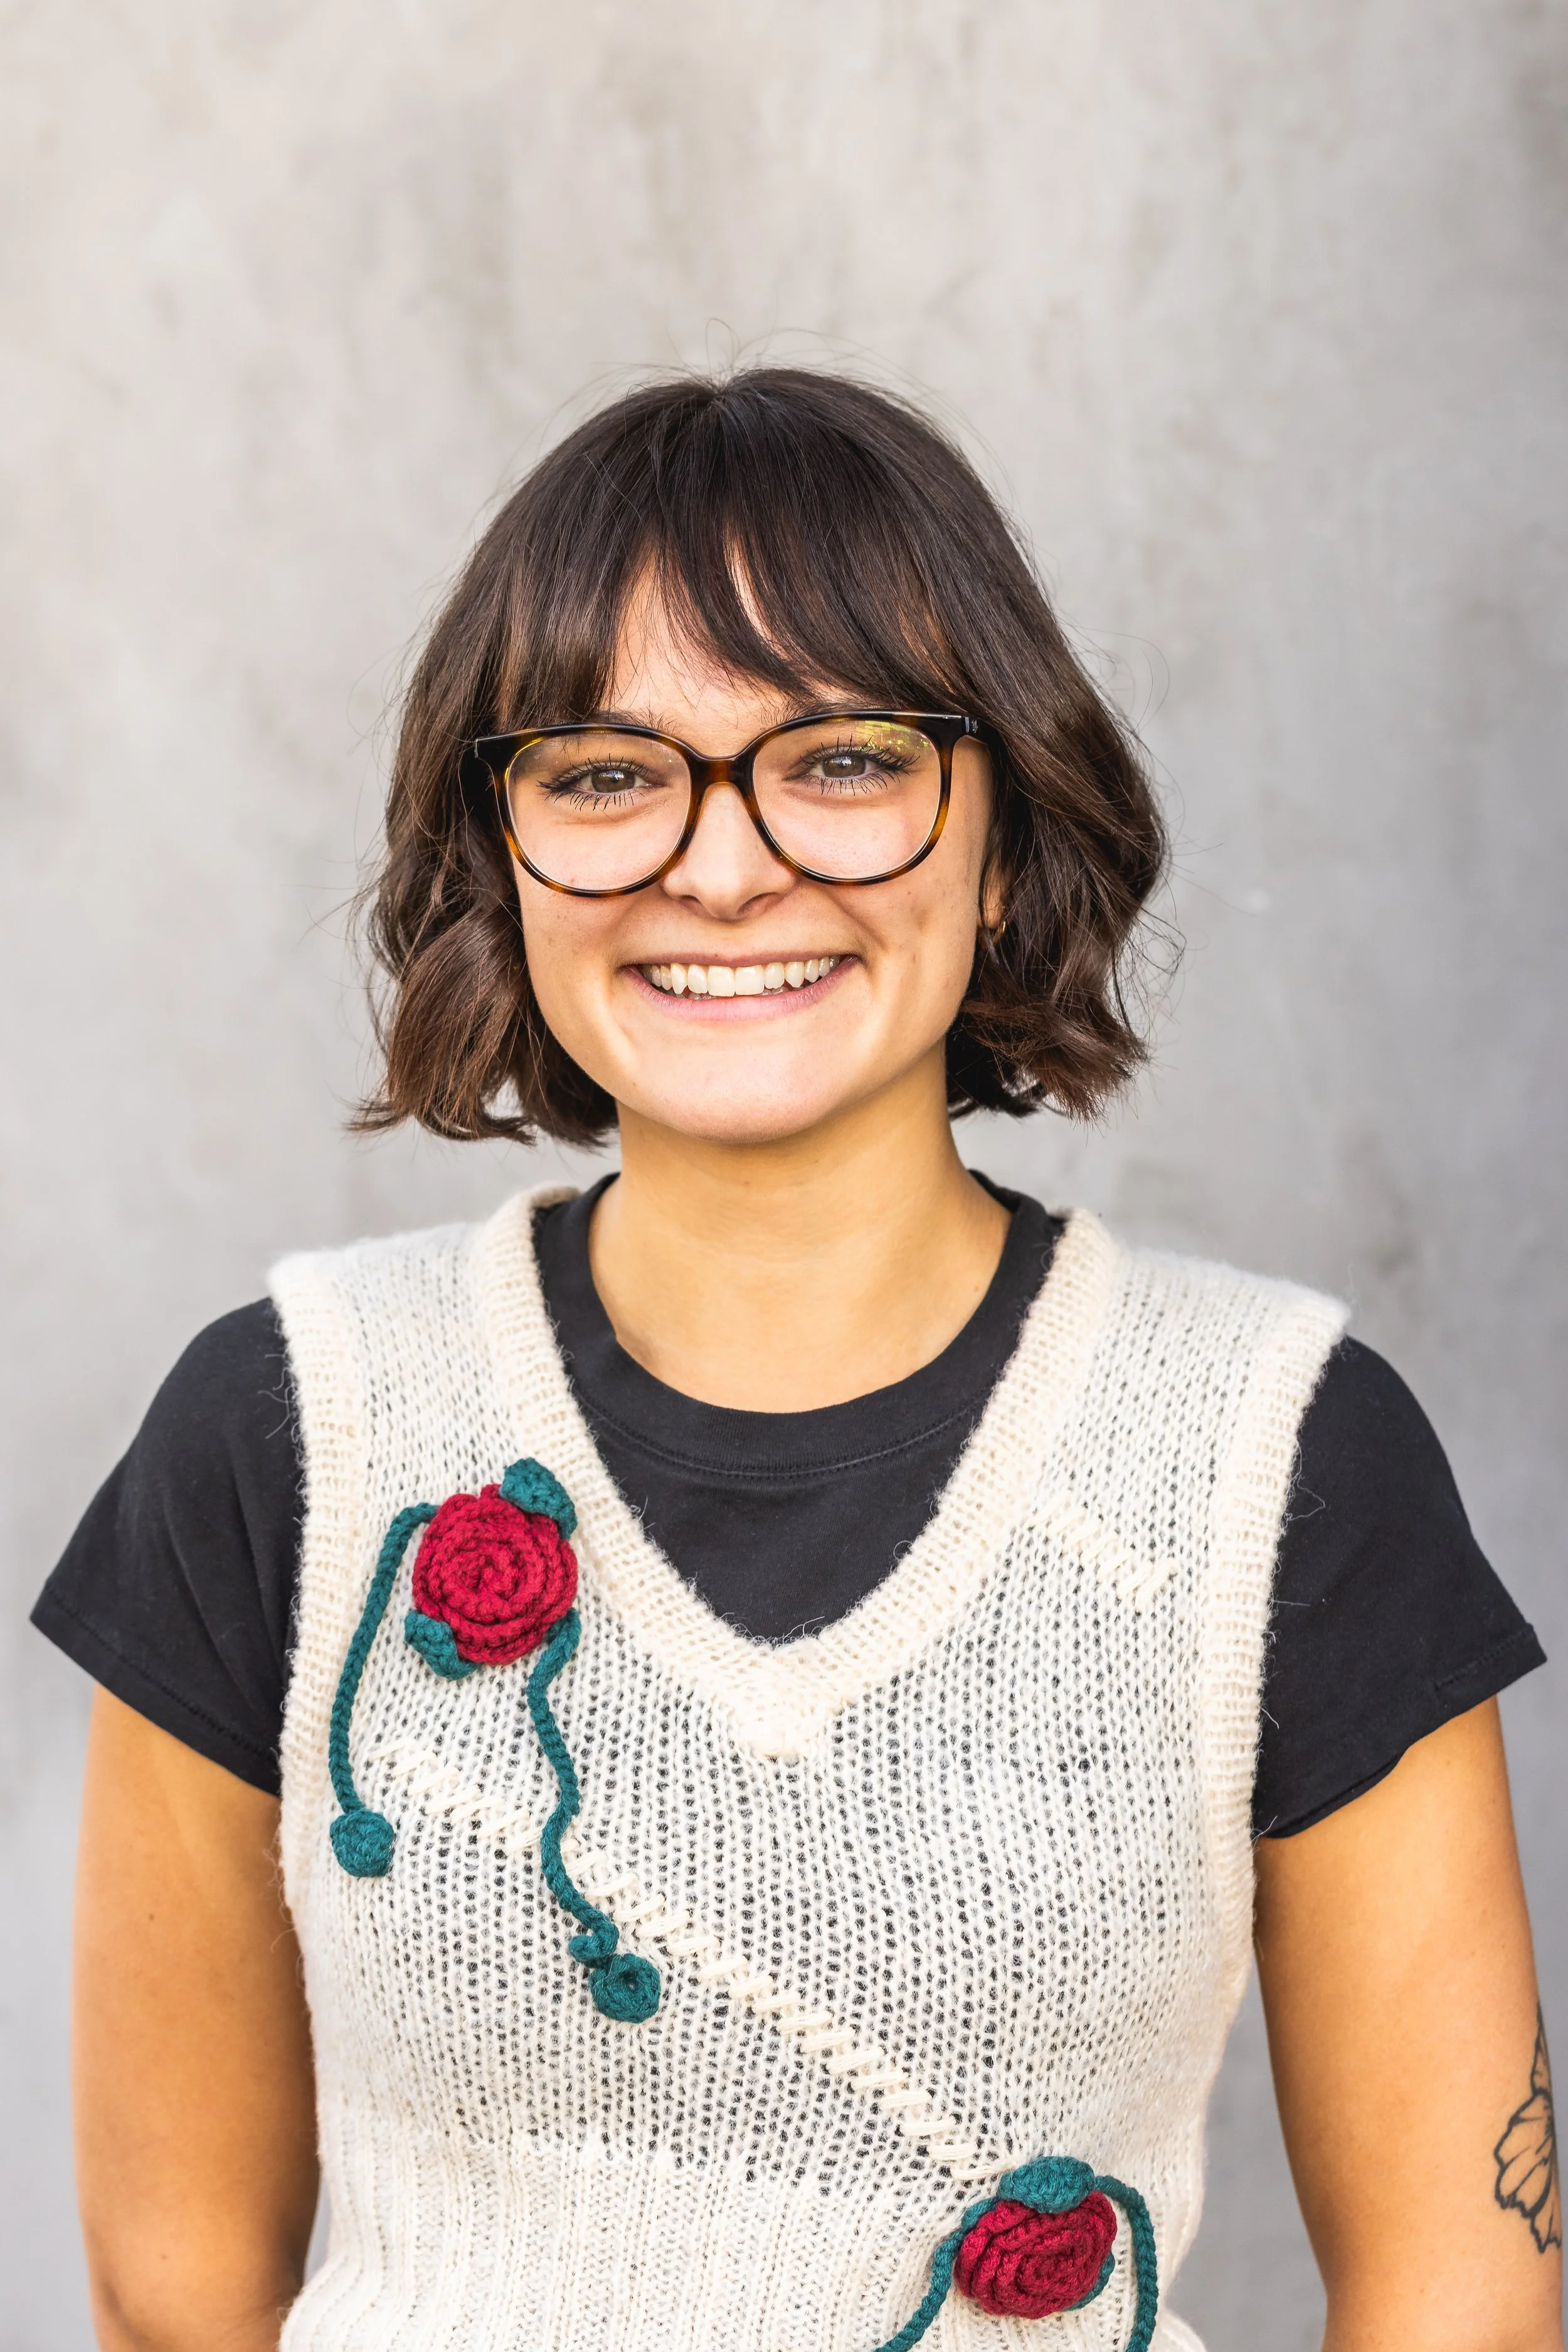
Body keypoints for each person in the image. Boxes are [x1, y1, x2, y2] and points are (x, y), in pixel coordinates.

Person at [36, 369, 1559, 2352]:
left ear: (1005, 830)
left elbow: (1468, 2291)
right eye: (604, 770)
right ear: (499, 848)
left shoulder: (1278, 1452)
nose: (724, 865)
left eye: (839, 760)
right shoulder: (288, 1430)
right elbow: (174, 2297)